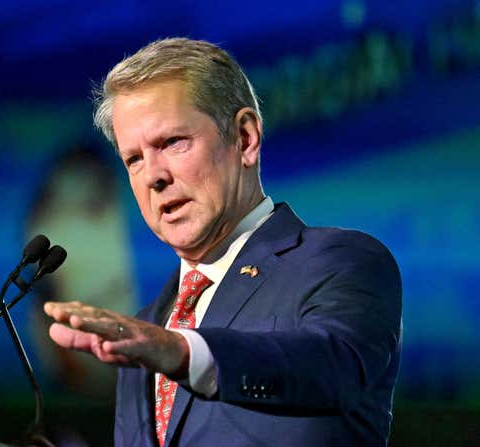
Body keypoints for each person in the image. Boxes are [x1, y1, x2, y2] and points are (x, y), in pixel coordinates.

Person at [43, 38, 402, 447]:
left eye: (171, 142)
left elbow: (331, 367)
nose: (152, 176)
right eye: (134, 159)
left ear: (245, 139)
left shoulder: (340, 262)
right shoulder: (146, 327)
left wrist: (184, 353)